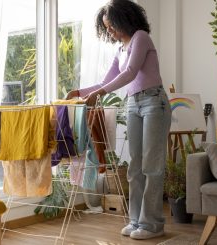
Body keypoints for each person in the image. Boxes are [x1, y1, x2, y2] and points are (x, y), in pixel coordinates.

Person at [66, 0, 172, 240]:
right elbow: (105, 82)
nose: (110, 30)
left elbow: (131, 72)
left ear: (125, 18)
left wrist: (99, 95)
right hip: (132, 103)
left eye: (111, 24)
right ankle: (136, 221)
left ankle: (152, 224)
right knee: (135, 167)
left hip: (154, 102)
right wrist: (80, 92)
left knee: (152, 167)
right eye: (106, 27)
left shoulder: (141, 38)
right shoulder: (120, 50)